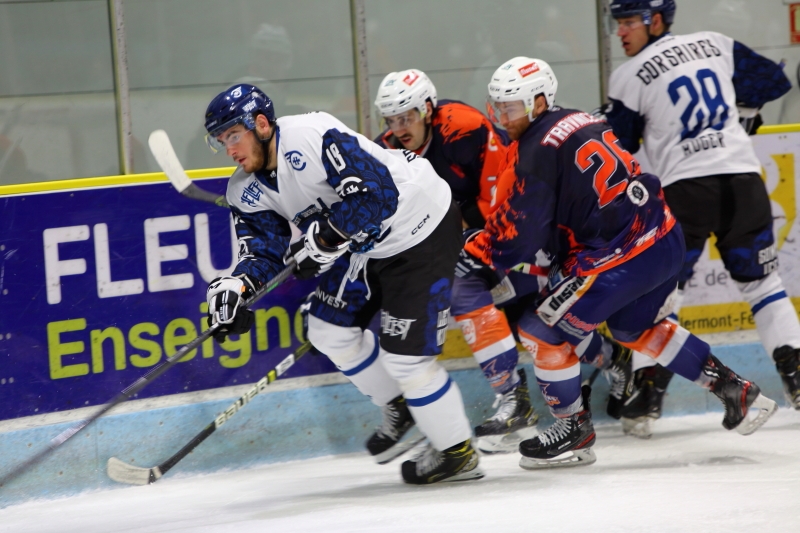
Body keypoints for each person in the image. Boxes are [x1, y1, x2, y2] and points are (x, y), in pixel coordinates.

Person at [459, 56, 777, 469]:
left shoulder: (535, 149)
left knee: (540, 330)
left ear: (539, 102)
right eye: (497, 107)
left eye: (512, 107)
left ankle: (573, 430)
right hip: (662, 237)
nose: (503, 117)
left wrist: (475, 250)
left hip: (621, 256)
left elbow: (519, 233)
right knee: (633, 327)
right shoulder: (577, 118)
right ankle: (736, 389)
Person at [202, 83, 482, 484]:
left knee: (406, 359)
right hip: (367, 245)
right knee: (326, 329)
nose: (229, 148)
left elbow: (379, 197)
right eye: (221, 141)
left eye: (233, 135)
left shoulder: (312, 136)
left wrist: (325, 237)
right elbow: (264, 253)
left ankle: (458, 453)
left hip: (420, 225)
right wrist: (237, 286)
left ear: (261, 124)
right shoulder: (244, 189)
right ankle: (398, 405)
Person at [604, 0, 800, 437]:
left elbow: (617, 143)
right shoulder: (714, 43)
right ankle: (798, 378)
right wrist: (744, 112)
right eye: (617, 23)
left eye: (629, 21)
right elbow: (774, 80)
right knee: (763, 283)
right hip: (744, 181)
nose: (621, 31)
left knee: (660, 292)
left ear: (655, 21)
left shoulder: (630, 75)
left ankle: (647, 394)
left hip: (686, 191)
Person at [373, 69, 542, 453]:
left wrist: (443, 229)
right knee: (525, 315)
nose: (399, 128)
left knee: (524, 308)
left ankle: (517, 397)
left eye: (408, 117)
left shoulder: (466, 128)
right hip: (470, 234)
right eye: (392, 119)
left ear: (428, 108)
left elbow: (499, 197)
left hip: (520, 219)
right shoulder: (387, 149)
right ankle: (516, 399)